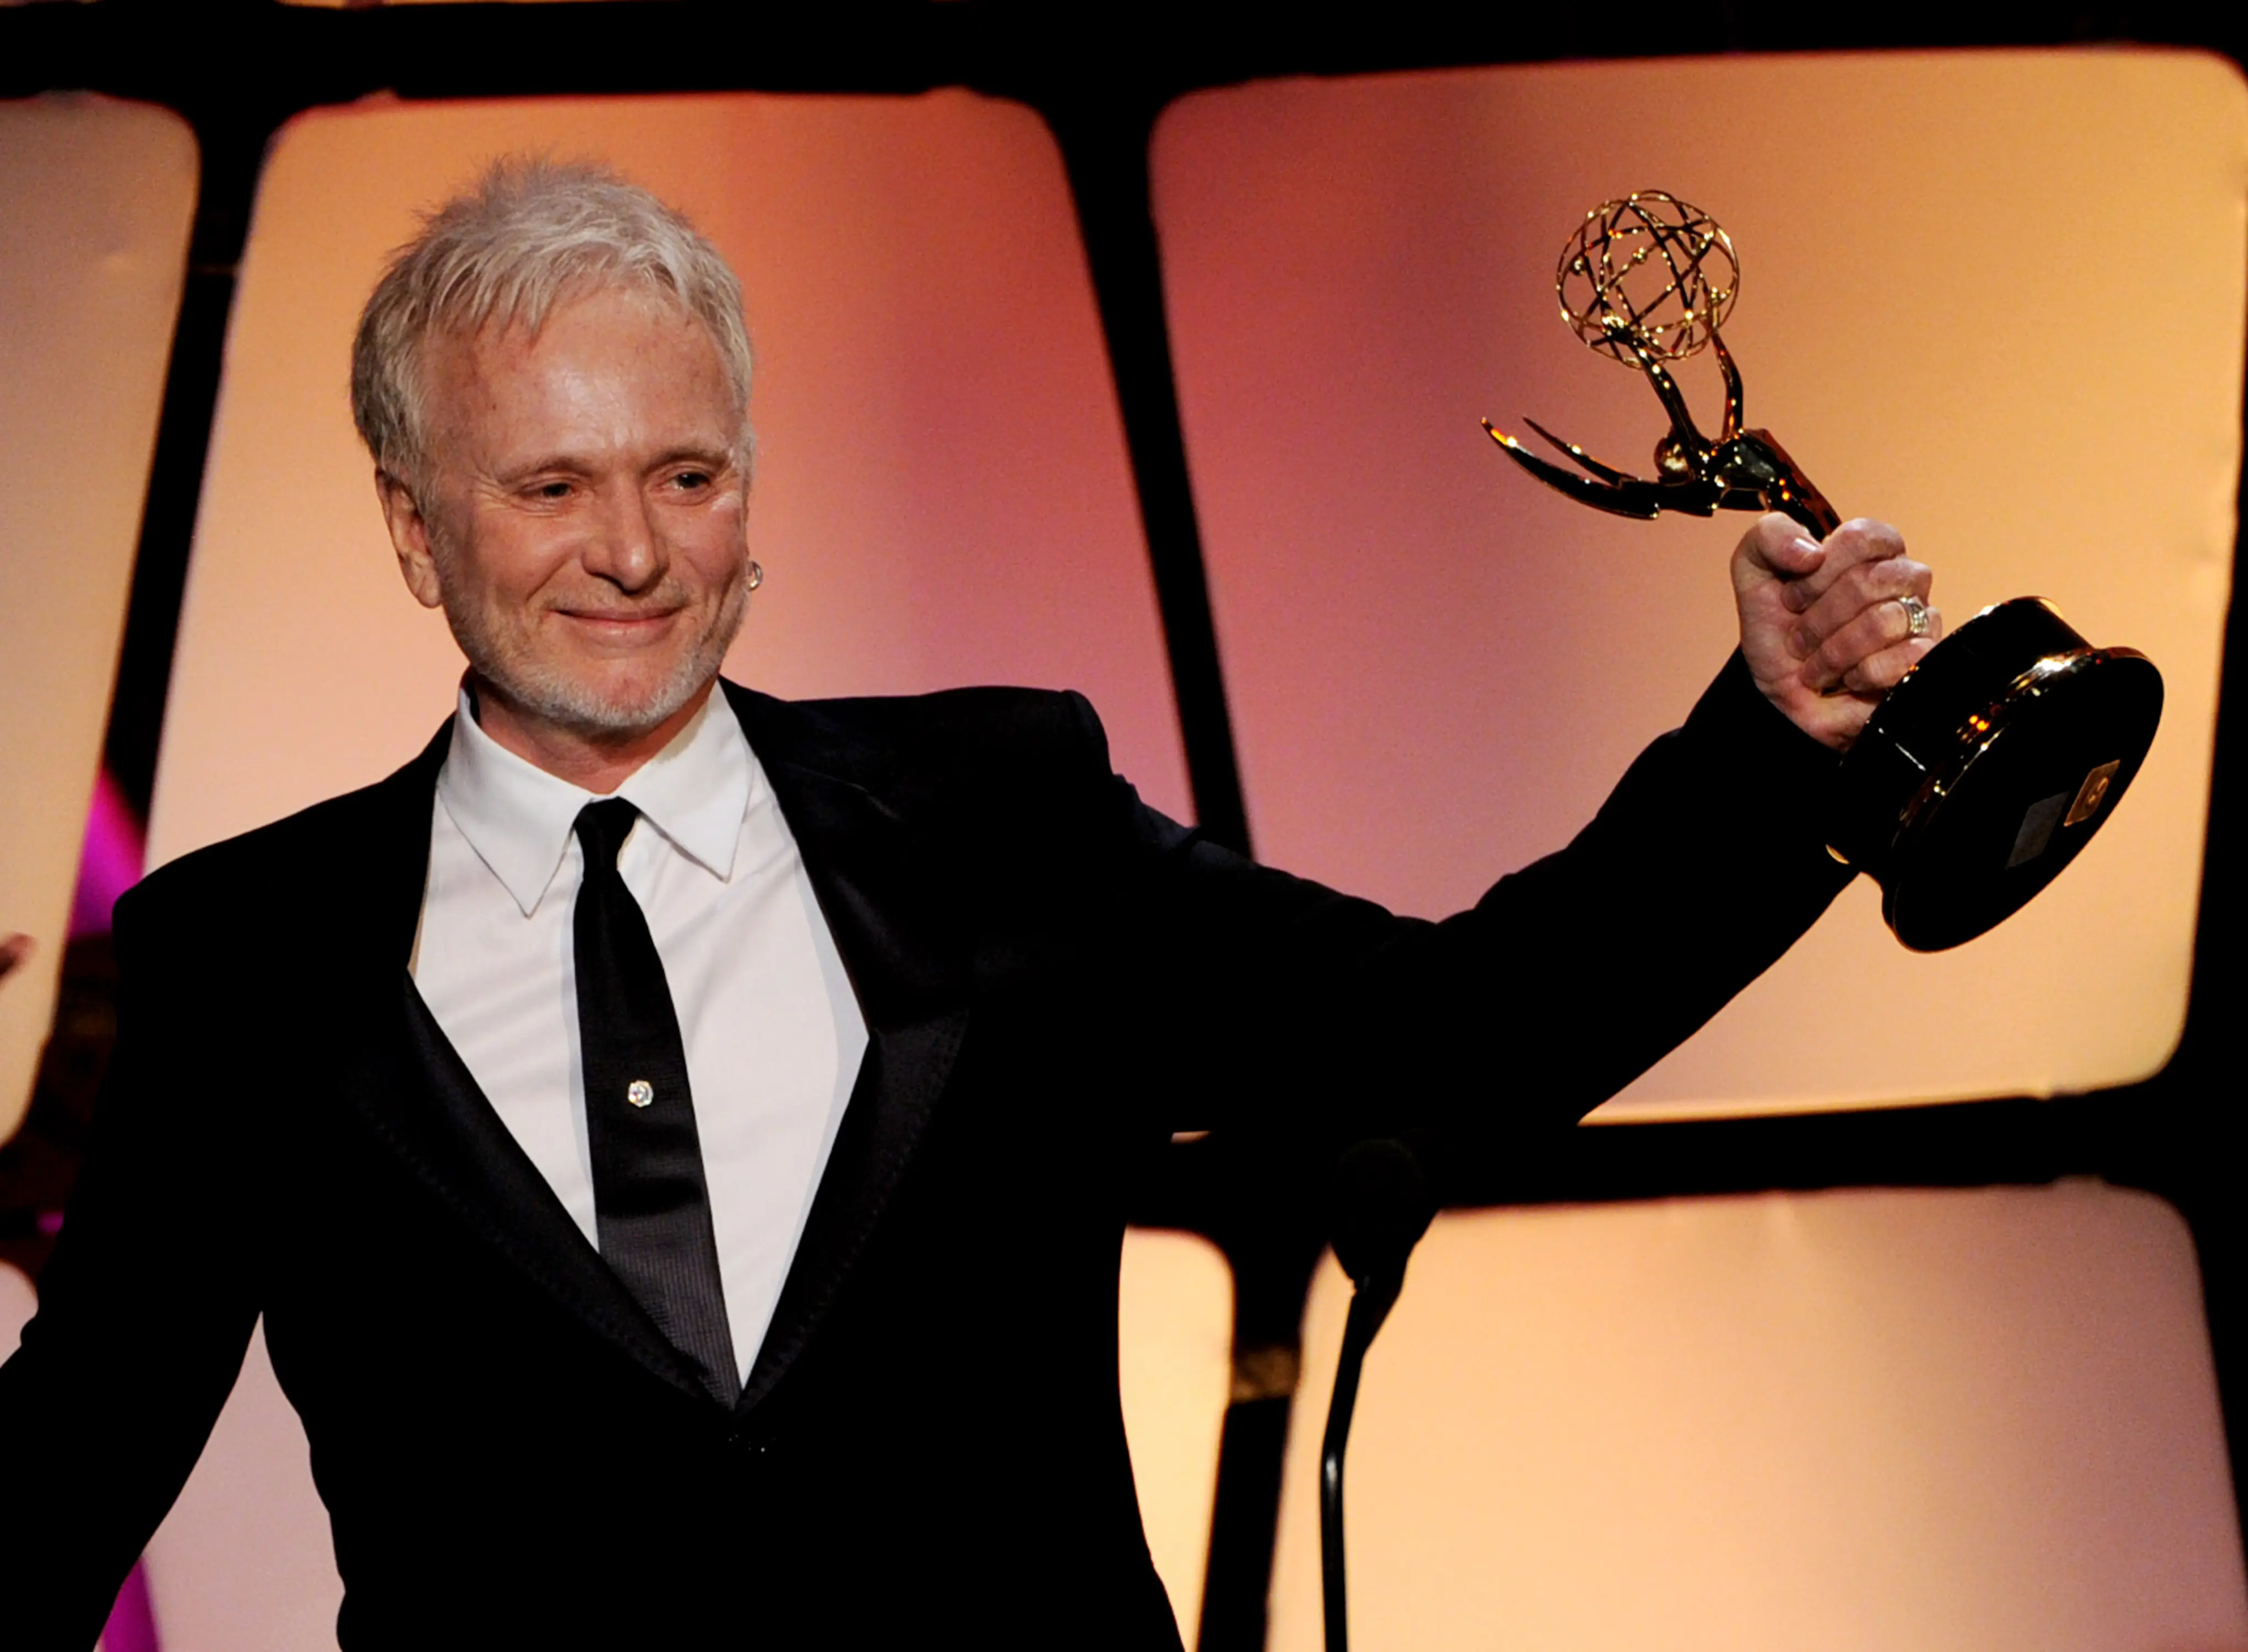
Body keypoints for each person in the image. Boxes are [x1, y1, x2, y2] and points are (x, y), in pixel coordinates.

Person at [0, 160, 1937, 1649]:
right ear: (416, 529)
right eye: (549, 487)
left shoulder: (1002, 815)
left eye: (689, 474)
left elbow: (1464, 1035)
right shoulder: (245, 960)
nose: (633, 554)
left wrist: (1771, 743)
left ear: (754, 487)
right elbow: (57, 1492)